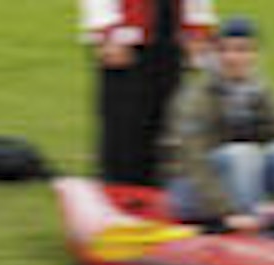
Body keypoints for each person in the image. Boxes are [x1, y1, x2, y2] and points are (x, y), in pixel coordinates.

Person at [161, 15, 274, 235]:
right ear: (214, 54)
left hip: (237, 180)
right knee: (242, 154)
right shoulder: (197, 97)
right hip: (192, 189)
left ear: (255, 55)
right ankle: (248, 227)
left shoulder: (259, 90)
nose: (233, 58)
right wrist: (228, 212)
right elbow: (194, 162)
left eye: (243, 50)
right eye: (225, 50)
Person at [80, 0, 218, 186]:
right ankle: (120, 185)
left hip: (169, 30)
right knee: (124, 126)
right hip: (126, 36)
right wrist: (106, 33)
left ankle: (157, 186)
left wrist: (198, 29)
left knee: (167, 121)